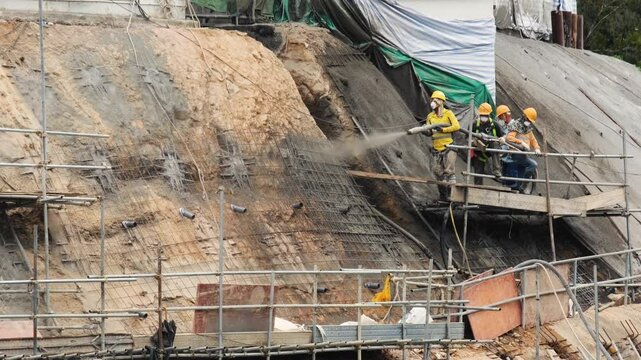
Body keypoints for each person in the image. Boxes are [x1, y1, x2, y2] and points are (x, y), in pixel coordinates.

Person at [426, 90, 460, 201]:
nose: (434, 101)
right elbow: (429, 130)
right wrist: (425, 131)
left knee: (449, 172)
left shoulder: (448, 113)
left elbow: (456, 126)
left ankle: (453, 196)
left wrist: (444, 129)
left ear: (442, 102)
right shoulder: (430, 116)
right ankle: (443, 196)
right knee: (438, 173)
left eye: (436, 99)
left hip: (448, 147)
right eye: (433, 99)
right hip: (436, 149)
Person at [471, 102, 504, 184]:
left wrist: (502, 138)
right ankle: (477, 189)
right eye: (482, 115)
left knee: (495, 144)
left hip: (491, 148)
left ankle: (497, 170)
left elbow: (503, 135)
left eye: (486, 115)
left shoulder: (494, 124)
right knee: (478, 173)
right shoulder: (474, 124)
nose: (484, 117)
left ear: (489, 115)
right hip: (479, 152)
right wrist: (472, 141)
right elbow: (467, 137)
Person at [505, 107, 541, 182]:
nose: (529, 122)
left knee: (522, 171)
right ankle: (522, 184)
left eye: (530, 121)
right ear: (524, 116)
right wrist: (521, 142)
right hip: (516, 153)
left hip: (524, 154)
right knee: (533, 165)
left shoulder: (528, 129)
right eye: (528, 120)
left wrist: (537, 148)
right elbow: (509, 138)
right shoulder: (516, 125)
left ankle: (518, 186)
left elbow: (533, 140)